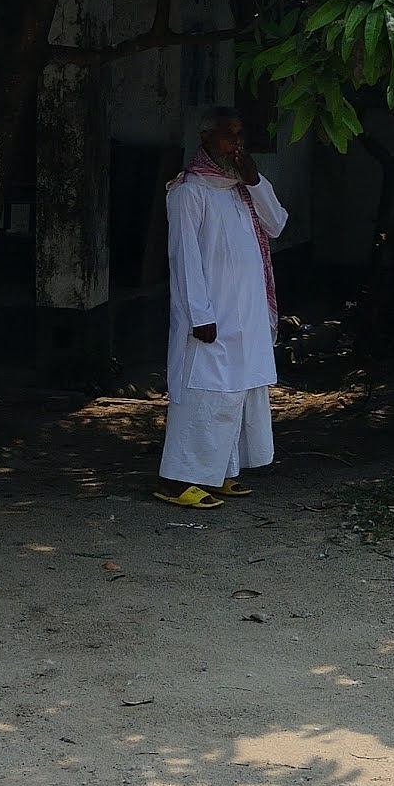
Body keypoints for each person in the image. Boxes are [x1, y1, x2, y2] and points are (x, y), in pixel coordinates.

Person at [157, 107, 290, 506]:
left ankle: (218, 473)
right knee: (205, 395)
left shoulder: (240, 186)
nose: (236, 144)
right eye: (227, 135)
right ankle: (177, 480)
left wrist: (255, 180)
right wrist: (200, 315)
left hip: (247, 312)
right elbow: (184, 257)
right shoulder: (189, 191)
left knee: (238, 394)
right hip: (210, 315)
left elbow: (276, 224)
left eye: (240, 135)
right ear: (205, 139)